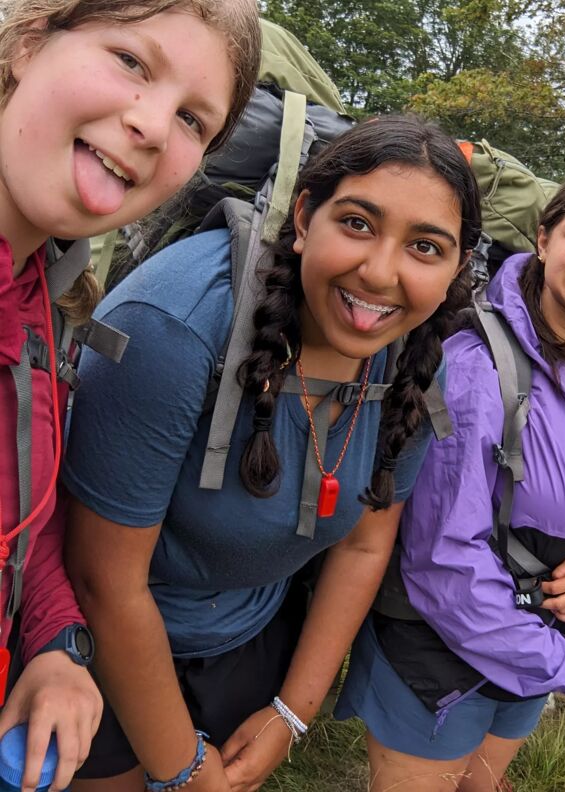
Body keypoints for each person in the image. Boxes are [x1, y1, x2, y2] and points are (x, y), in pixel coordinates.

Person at [61, 115, 482, 792]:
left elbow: (364, 546)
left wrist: (292, 711)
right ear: (305, 215)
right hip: (95, 643)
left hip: (250, 633)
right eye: (357, 223)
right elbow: (102, 579)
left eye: (425, 247)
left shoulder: (419, 363)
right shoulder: (177, 325)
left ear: (457, 266)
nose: (380, 273)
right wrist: (184, 766)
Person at [335, 171, 565, 792]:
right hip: (440, 653)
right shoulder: (474, 367)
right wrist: (562, 661)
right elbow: (443, 559)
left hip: (542, 631)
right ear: (545, 239)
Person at [0, 1, 261, 789]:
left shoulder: (40, 290)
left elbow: (27, 514)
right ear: (32, 39)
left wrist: (55, 643)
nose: (151, 124)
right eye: (131, 61)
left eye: (194, 119)